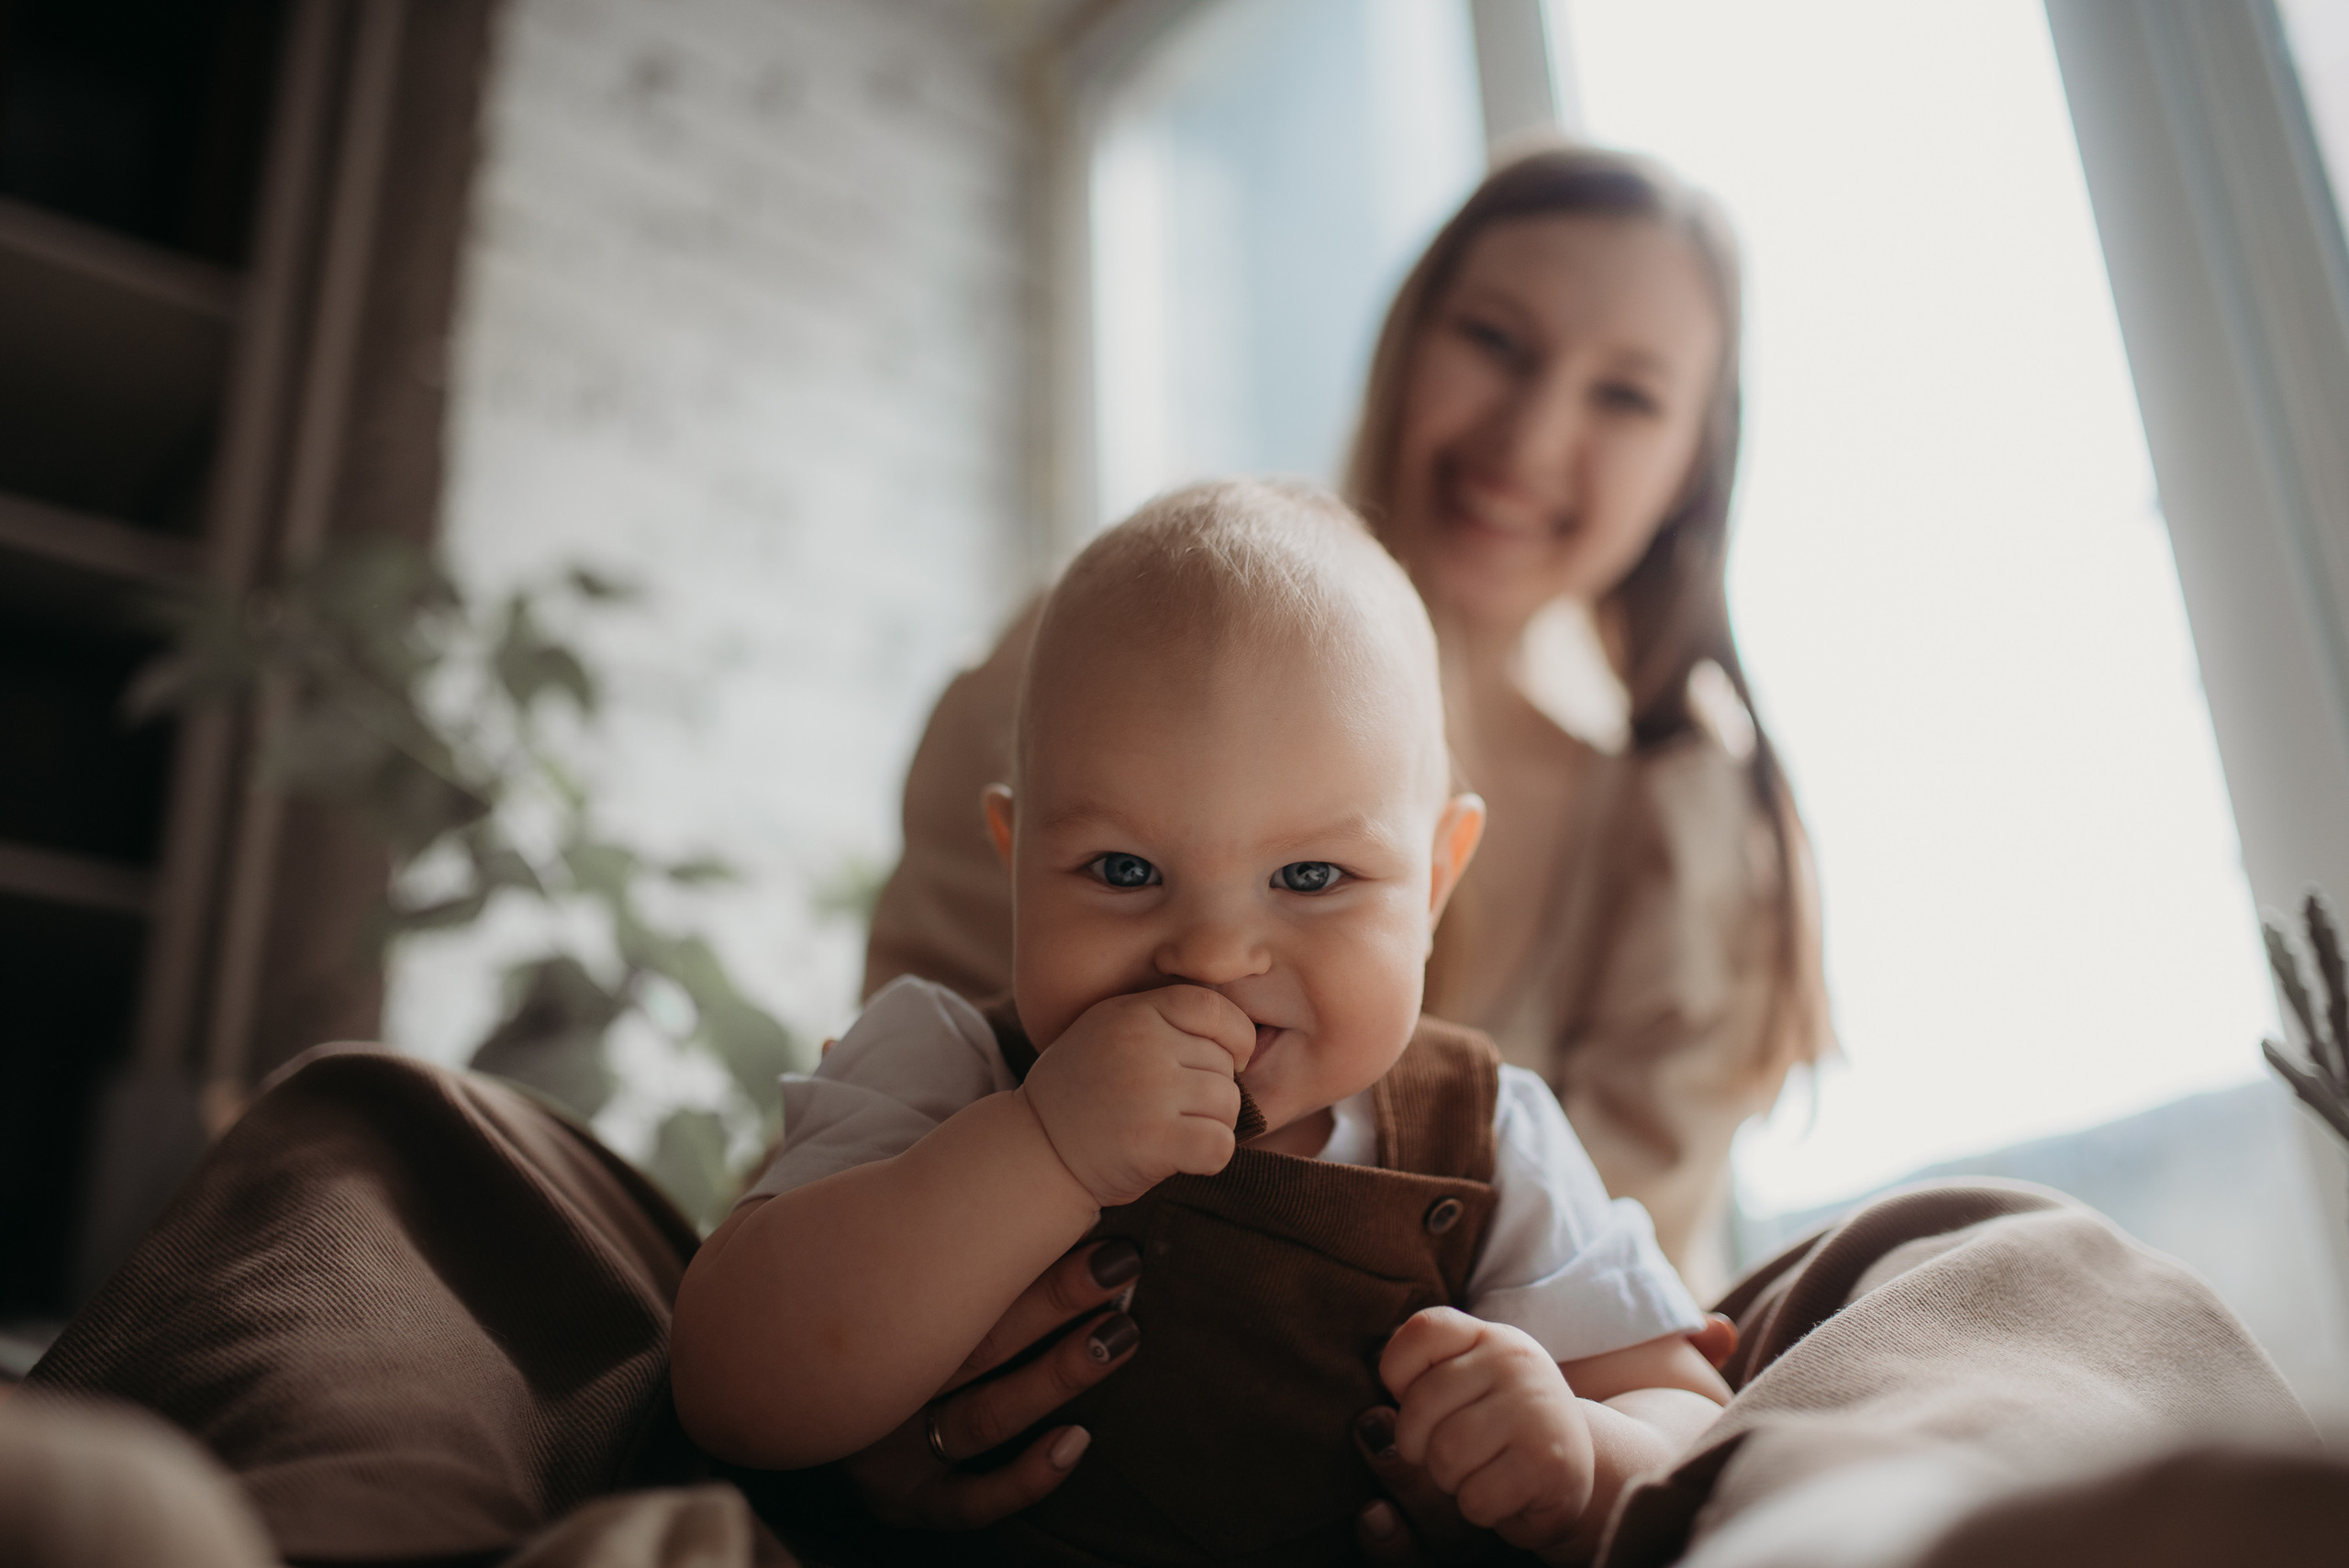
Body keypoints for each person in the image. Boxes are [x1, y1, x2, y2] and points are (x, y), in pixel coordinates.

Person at [673, 482, 1735, 1564]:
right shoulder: (941, 1064)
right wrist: (1042, 1144)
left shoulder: (1492, 1135)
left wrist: (1580, 1452)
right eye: (1124, 869)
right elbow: (726, 1381)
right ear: (1013, 863)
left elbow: (1690, 1418)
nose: (1215, 954)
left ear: (1432, 884)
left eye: (1311, 873)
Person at [864, 145, 1830, 1303]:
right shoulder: (1078, 668)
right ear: (1403, 343)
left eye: (1625, 394)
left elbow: (1617, 1313)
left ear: (1691, 470)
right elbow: (890, 1126)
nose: (1526, 440)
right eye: (1495, 341)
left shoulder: (1685, 844)